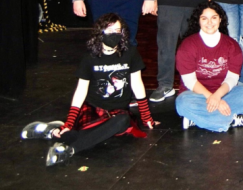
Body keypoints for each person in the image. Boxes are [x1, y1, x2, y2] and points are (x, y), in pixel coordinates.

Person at [21, 14, 158, 166]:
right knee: (78, 132)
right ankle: (60, 138)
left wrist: (146, 117)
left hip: (118, 112)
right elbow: (81, 90)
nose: (114, 34)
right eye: (109, 30)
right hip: (93, 109)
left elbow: (137, 84)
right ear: (100, 33)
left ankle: (57, 137)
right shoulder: (90, 58)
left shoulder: (130, 53)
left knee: (123, 121)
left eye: (118, 30)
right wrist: (69, 122)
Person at [175, 2, 243, 131]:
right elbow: (190, 81)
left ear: (220, 19)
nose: (209, 22)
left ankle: (199, 119)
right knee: (182, 103)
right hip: (196, 95)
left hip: (225, 93)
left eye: (214, 17)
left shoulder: (232, 45)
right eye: (204, 18)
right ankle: (232, 120)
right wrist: (211, 97)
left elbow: (232, 78)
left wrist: (217, 97)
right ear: (198, 21)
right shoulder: (187, 46)